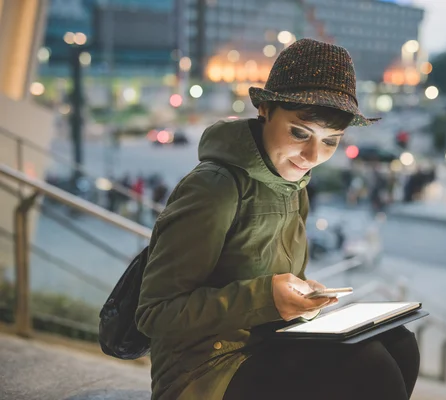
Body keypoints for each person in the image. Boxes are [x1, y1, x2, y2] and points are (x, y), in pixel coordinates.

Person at [135, 39, 420, 400]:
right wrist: (266, 297)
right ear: (265, 109)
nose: (312, 155)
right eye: (300, 133)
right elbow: (154, 314)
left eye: (331, 141)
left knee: (397, 341)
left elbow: (272, 286)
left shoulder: (293, 182)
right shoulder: (215, 187)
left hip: (268, 346)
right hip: (203, 370)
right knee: (367, 365)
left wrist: (299, 295)